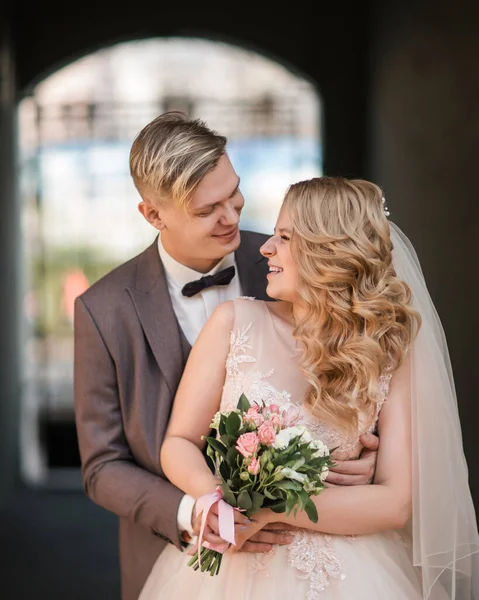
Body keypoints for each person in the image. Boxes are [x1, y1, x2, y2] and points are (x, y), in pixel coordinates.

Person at [73, 114, 379, 600]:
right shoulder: (102, 310)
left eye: (233, 193)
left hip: (320, 560)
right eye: (207, 209)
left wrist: (361, 460)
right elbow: (101, 465)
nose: (232, 216)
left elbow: (360, 370)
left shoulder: (296, 258)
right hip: (174, 560)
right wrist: (197, 511)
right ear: (154, 215)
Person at [139, 176, 479, 600]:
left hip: (353, 573)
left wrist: (272, 508)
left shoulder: (389, 348)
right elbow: (179, 442)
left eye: (284, 237)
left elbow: (395, 503)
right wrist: (224, 506)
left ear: (327, 252)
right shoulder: (234, 323)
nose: (265, 248)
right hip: (233, 568)